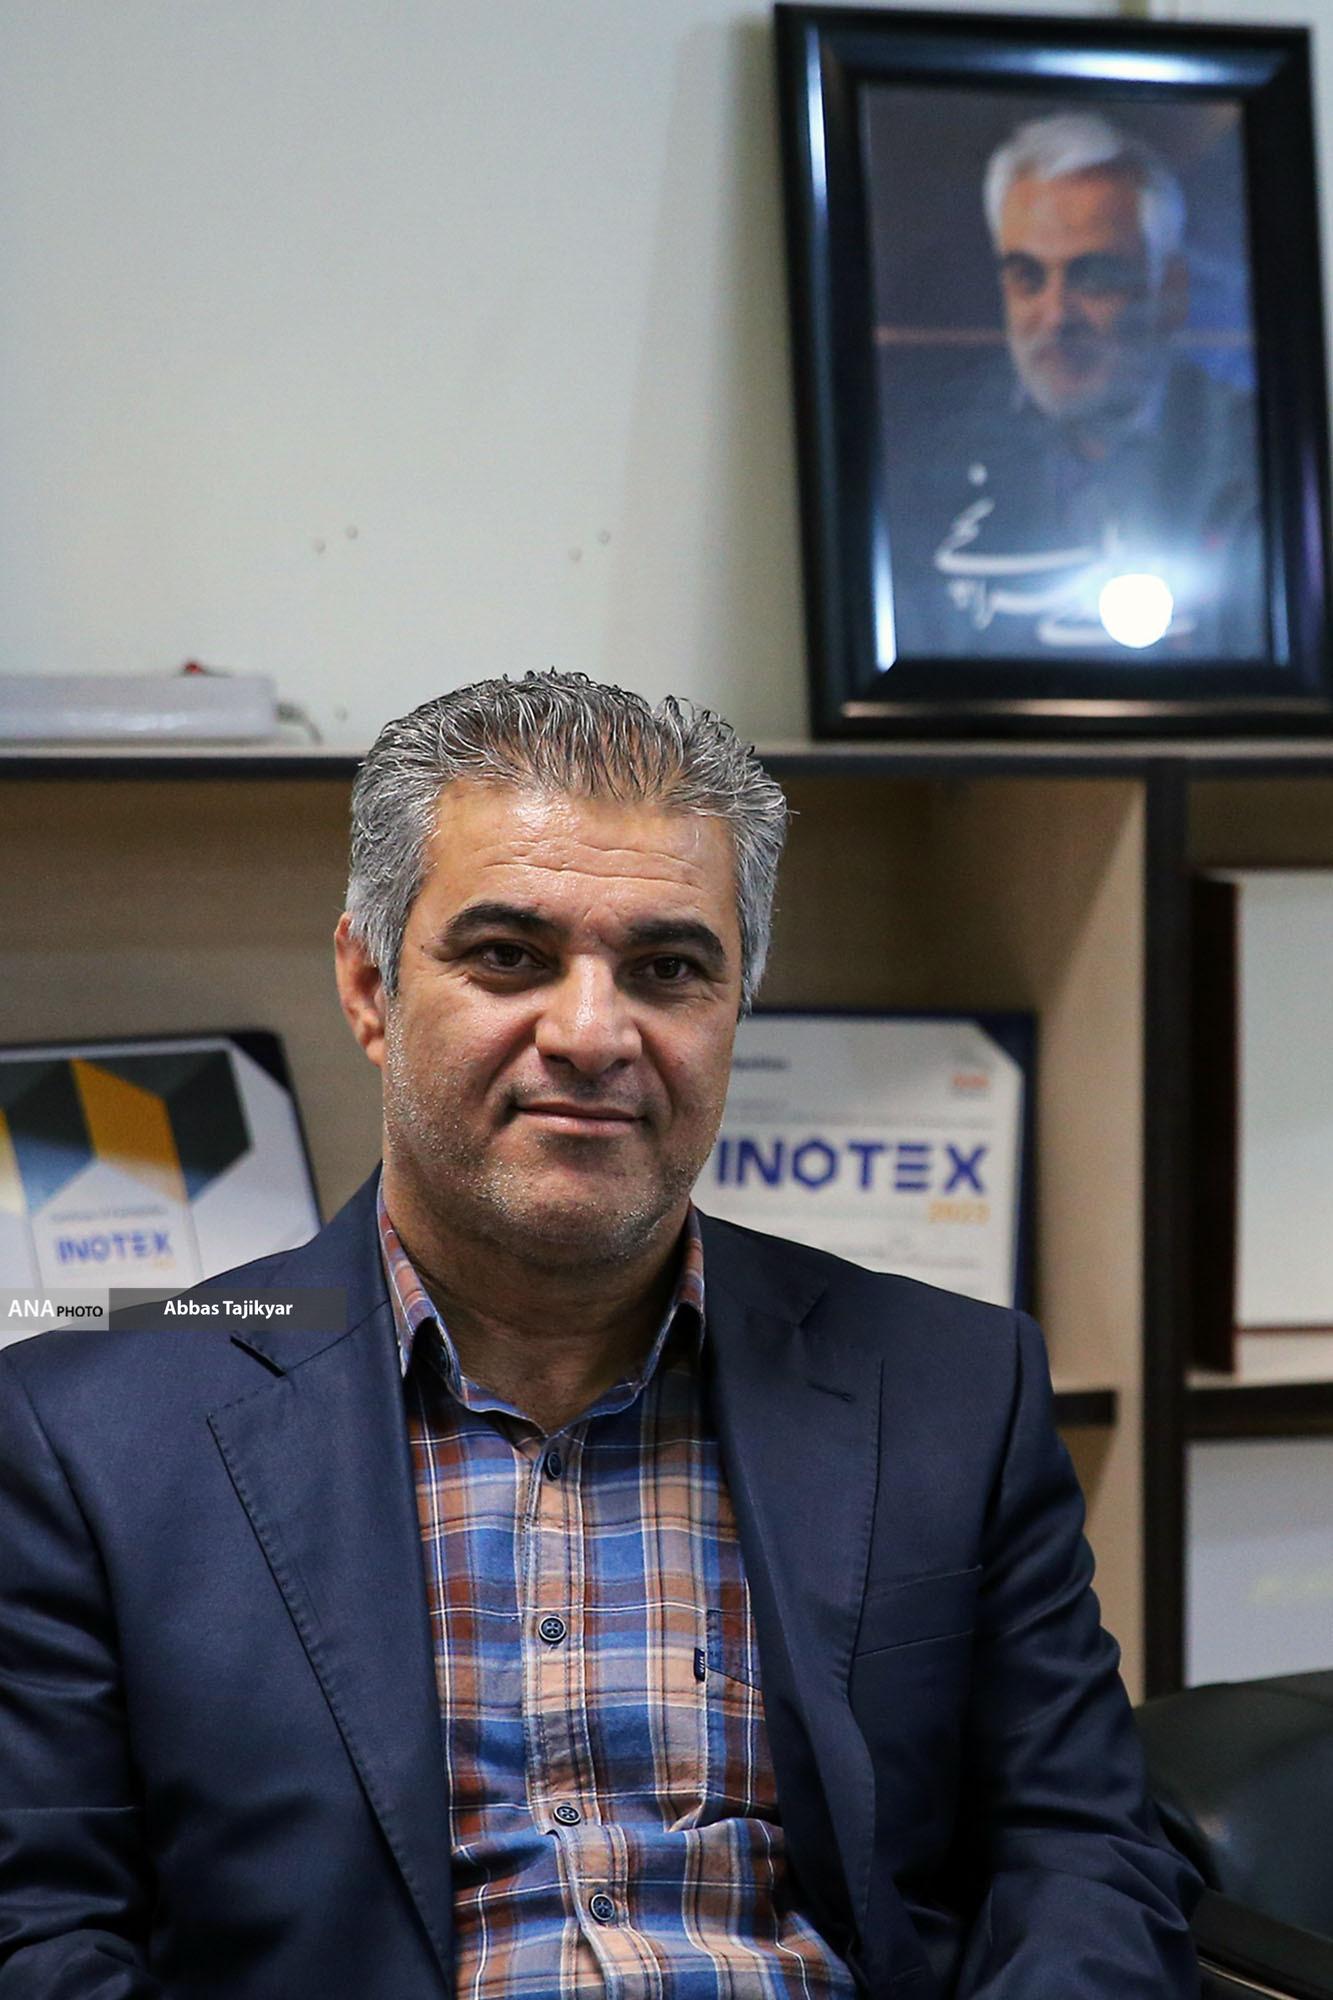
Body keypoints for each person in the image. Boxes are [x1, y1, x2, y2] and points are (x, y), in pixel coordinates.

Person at [0, 672, 1199, 1998]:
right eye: (508, 956)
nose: (590, 1033)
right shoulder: (87, 1436)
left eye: (666, 968)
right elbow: (39, 1933)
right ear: (369, 985)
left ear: (735, 1003)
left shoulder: (950, 1387)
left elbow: (1081, 1852)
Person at [882, 109, 1265, 661]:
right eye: (1027, 276)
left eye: (1094, 276)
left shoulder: (1253, 455)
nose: (1056, 315)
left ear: (1171, 293)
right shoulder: (926, 470)